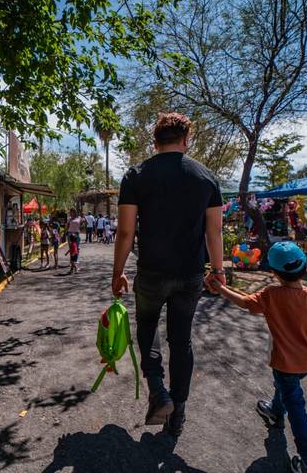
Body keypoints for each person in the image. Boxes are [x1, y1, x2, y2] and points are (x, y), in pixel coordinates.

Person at [112, 112, 224, 439]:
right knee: (181, 340)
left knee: (147, 327)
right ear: (186, 140)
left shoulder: (136, 176)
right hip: (190, 274)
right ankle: (178, 415)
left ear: (155, 142)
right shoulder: (206, 177)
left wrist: (118, 273)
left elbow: (125, 232)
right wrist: (218, 271)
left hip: (151, 271)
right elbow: (214, 232)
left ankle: (158, 391)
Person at [208, 242, 307, 473]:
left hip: (284, 363)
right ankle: (275, 409)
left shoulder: (270, 295)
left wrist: (221, 288)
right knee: (285, 386)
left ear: (274, 272)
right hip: (305, 363)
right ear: (305, 268)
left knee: (296, 406)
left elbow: (244, 303)